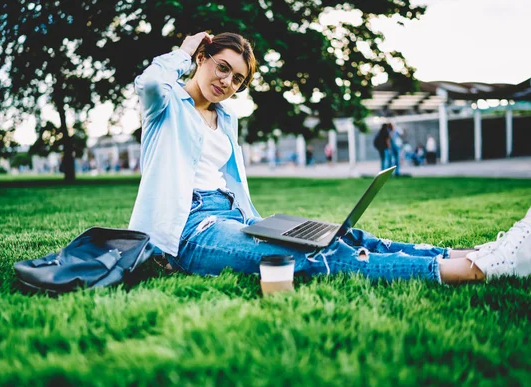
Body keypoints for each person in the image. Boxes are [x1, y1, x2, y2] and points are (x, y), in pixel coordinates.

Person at [128, 31, 531, 285]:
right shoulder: (166, 104)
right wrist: (182, 50)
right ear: (201, 58)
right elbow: (148, 81)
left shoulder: (226, 116)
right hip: (191, 231)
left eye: (237, 79)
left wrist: (254, 222)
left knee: (342, 235)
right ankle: (466, 271)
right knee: (309, 256)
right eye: (221, 68)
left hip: (234, 216)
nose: (226, 83)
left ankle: (471, 253)